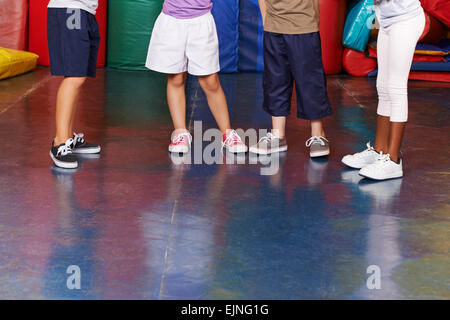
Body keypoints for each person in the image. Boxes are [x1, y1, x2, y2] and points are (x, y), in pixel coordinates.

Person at [145, 0, 247, 154]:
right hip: (171, 20)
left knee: (210, 81)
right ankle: (180, 133)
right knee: (176, 78)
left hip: (201, 20)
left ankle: (227, 134)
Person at [342, 0, 425, 180]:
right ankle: (380, 150)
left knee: (396, 87)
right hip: (387, 20)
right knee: (383, 87)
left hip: (406, 20)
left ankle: (393, 160)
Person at [250, 0, 333, 157]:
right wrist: (266, 19)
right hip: (274, 25)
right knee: (275, 80)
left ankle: (318, 134)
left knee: (310, 81)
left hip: (303, 24)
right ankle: (278, 136)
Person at [47, 0, 102, 169]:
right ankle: (60, 142)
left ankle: (68, 137)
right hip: (70, 8)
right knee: (74, 77)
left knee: (78, 76)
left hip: (85, 10)